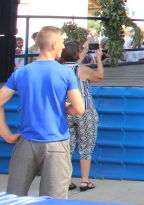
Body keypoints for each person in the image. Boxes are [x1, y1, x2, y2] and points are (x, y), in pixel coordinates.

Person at [0, 26, 85, 199]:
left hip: (26, 142)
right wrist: (62, 107)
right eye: (62, 42)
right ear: (53, 44)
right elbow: (79, 109)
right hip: (56, 144)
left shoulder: (21, 73)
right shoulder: (66, 73)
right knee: (53, 200)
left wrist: (7, 135)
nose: (63, 46)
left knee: (14, 198)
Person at [60, 41, 103, 192]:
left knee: (67, 146)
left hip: (65, 111)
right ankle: (84, 180)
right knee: (86, 146)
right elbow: (99, 77)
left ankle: (66, 180)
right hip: (85, 110)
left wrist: (84, 51)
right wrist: (98, 59)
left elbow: (74, 63)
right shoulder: (82, 70)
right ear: (77, 54)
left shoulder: (59, 69)